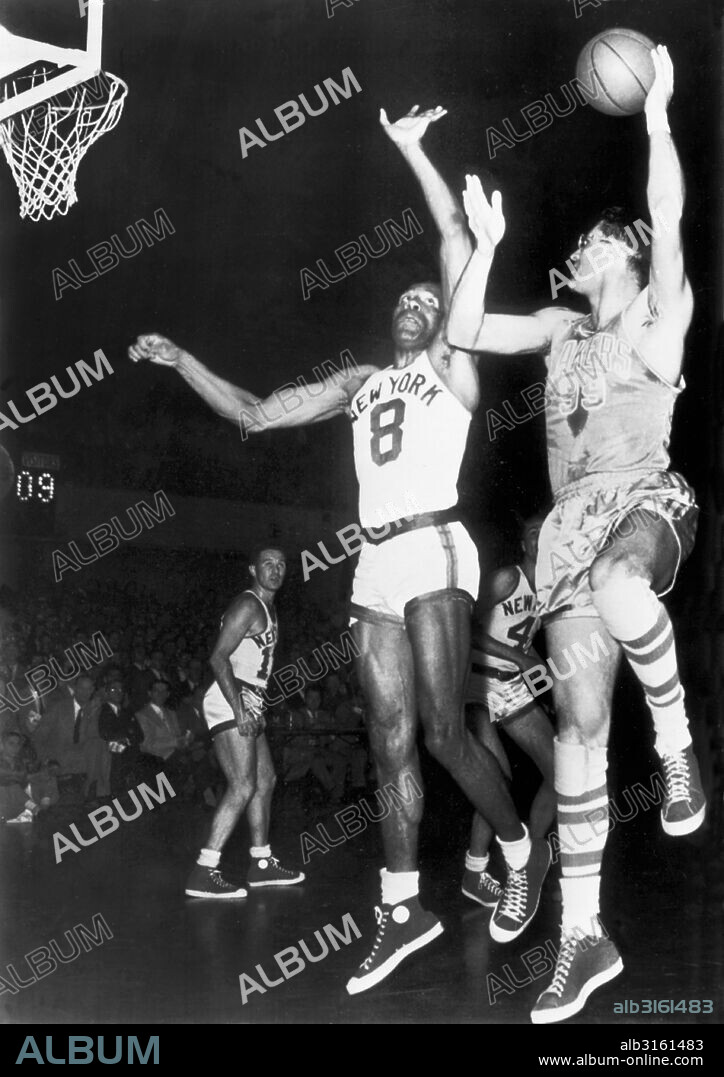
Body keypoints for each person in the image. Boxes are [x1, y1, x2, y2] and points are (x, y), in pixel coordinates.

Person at [129, 105, 550, 990]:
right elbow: (256, 413)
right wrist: (181, 361)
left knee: (443, 730)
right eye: (405, 301)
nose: (416, 307)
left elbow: (452, 239)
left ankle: (519, 849)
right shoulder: (361, 382)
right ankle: (402, 908)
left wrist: (413, 151)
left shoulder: (454, 363)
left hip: (435, 544)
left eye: (428, 302)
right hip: (375, 563)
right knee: (391, 741)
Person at [447, 48, 705, 1023]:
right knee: (578, 735)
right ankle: (583, 937)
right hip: (567, 537)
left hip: (644, 502)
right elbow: (467, 330)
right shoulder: (562, 327)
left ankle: (676, 745)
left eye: (597, 239)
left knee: (623, 587)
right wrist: (483, 242)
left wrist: (658, 117)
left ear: (624, 255)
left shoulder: (653, 319)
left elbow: (668, 215)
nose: (582, 249)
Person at [184, 546, 305, 898]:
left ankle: (261, 862)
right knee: (242, 785)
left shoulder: (268, 607)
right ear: (253, 569)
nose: (275, 569)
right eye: (267, 563)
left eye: (281, 564)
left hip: (249, 699)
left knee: (265, 780)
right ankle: (203, 870)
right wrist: (240, 710)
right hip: (229, 699)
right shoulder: (248, 604)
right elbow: (218, 658)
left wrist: (253, 706)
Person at [462, 513, 555, 920]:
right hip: (476, 683)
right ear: (523, 543)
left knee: (561, 771)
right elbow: (466, 628)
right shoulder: (506, 578)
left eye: (546, 532)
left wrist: (544, 674)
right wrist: (520, 658)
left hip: (512, 686)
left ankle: (529, 857)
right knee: (495, 777)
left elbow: (523, 640)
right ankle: (475, 871)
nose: (539, 538)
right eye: (533, 532)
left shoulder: (550, 589)